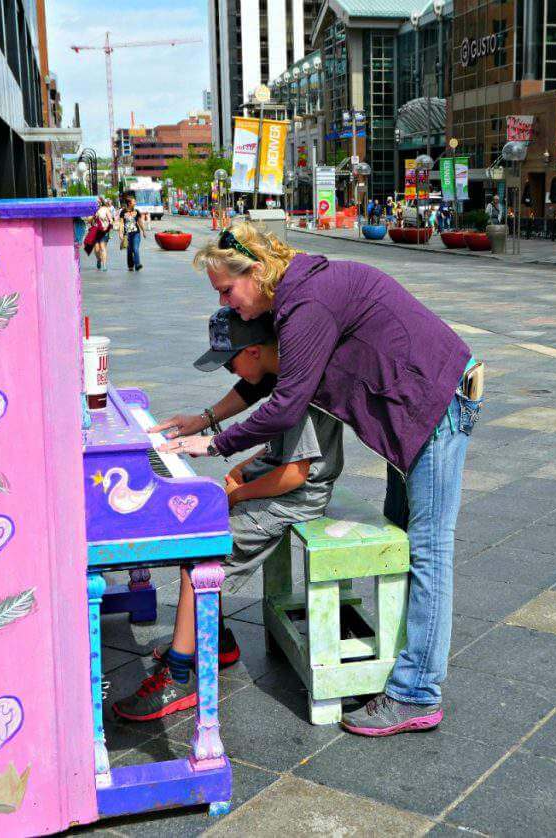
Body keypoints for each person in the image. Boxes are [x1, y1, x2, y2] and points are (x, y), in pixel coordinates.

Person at [157, 223, 481, 737]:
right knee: (407, 542)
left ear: (257, 273)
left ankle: (417, 692)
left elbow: (285, 406)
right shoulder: (293, 298)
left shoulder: (306, 305)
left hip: (433, 405)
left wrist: (215, 445)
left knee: (427, 552)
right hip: (413, 411)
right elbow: (268, 378)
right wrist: (204, 420)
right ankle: (404, 667)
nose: (226, 301)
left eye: (226, 290)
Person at [114, 307, 344, 721]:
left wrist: (238, 496)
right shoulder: (290, 374)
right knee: (201, 529)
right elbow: (283, 452)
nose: (229, 372)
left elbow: (294, 473)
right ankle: (215, 641)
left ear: (255, 352)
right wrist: (242, 469)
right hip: (276, 482)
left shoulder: (297, 392)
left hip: (294, 498)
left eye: (231, 361)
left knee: (200, 553)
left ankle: (179, 676)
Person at [119, 197, 145, 272]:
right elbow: (121, 223)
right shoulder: (123, 212)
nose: (135, 202)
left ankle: (137, 264)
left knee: (135, 249)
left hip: (136, 233)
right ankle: (130, 265)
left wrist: (143, 231)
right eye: (134, 201)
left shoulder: (137, 211)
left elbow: (140, 222)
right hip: (127, 234)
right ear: (129, 203)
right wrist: (120, 233)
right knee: (129, 250)